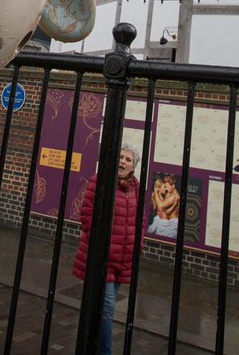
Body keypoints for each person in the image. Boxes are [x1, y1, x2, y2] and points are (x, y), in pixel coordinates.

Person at [72, 142, 142, 355]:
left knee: (100, 307)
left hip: (123, 259)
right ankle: (105, 352)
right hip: (103, 258)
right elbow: (87, 213)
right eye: (120, 157)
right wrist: (99, 243)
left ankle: (89, 344)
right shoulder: (100, 179)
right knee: (108, 308)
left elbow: (140, 218)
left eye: (128, 159)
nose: (122, 162)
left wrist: (138, 243)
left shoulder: (135, 187)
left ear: (133, 166)